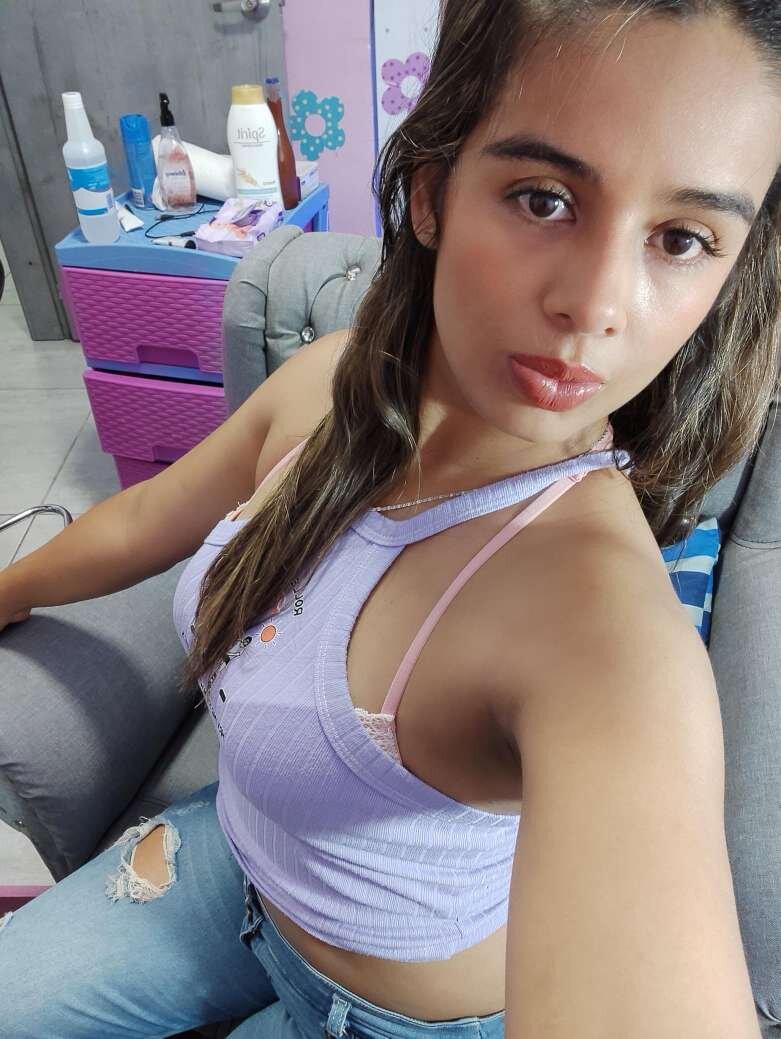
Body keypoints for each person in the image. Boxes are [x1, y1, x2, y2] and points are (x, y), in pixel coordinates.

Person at [0, 0, 779, 1036]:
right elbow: (146, 516)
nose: (595, 306)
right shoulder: (327, 383)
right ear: (430, 190)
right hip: (228, 869)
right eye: (543, 198)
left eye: (682, 238)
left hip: (387, 1013)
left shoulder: (600, 635)